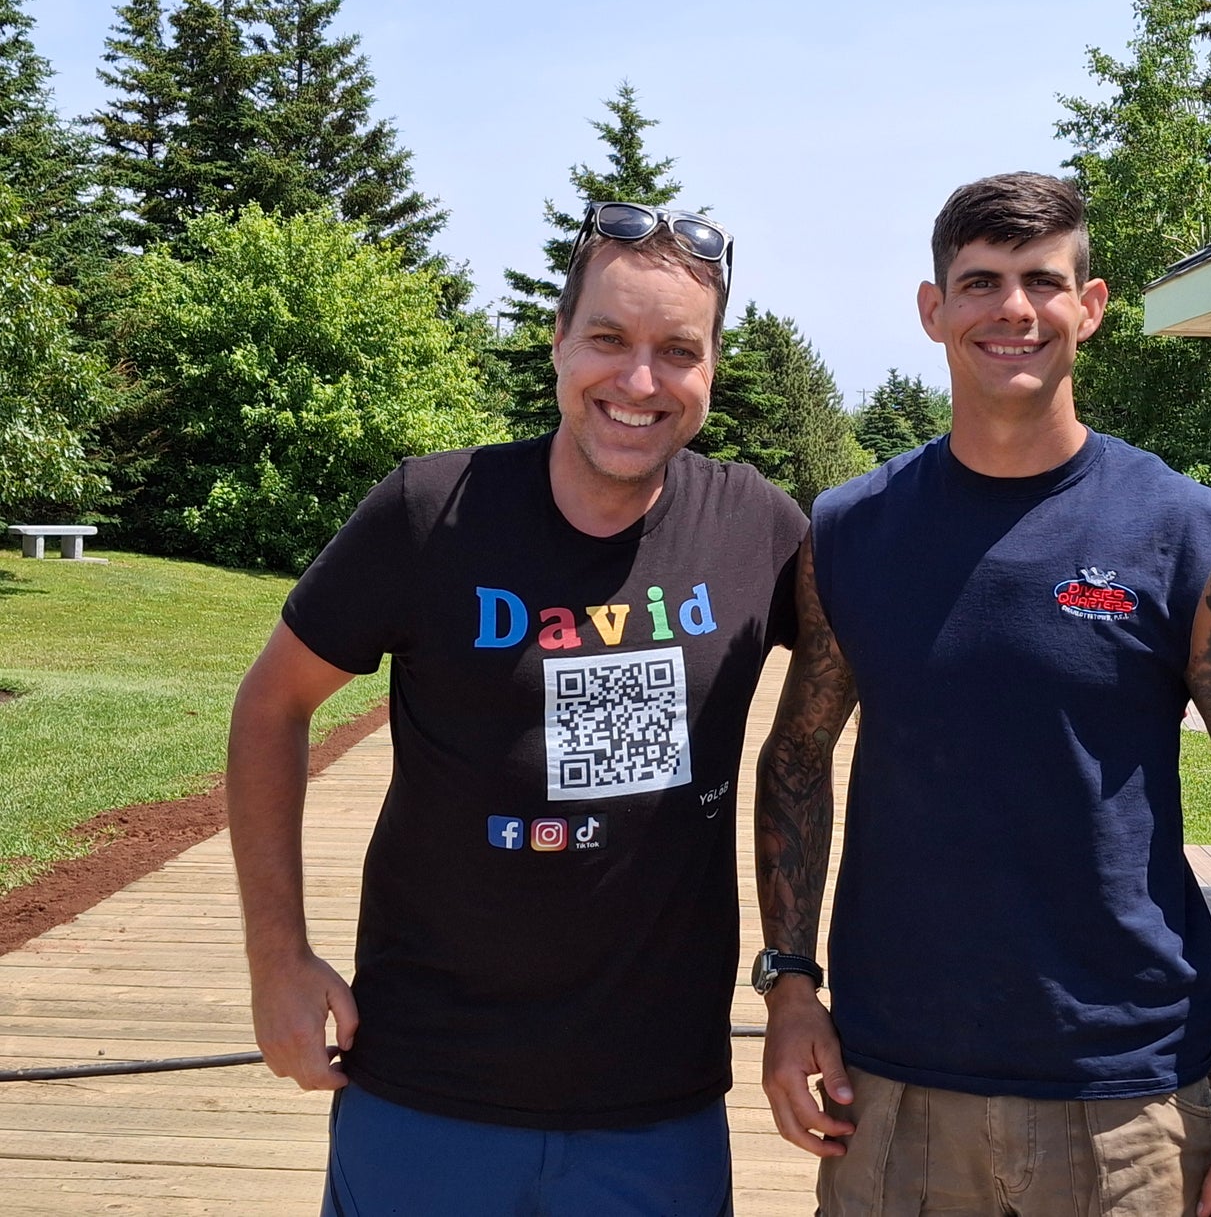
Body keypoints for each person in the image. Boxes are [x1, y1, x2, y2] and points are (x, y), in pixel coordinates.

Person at [754, 173, 1211, 1217]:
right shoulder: (849, 532)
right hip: (890, 1086)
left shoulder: (1182, 534)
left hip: (1126, 1099)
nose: (1011, 309)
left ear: (1090, 305)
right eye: (978, 281)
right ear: (932, 309)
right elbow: (796, 753)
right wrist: (789, 978)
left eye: (1040, 280)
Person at [228, 201, 807, 1217]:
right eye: (608, 339)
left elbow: (900, 688)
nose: (638, 380)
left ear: (711, 365)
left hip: (655, 1111)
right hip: (424, 1090)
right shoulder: (427, 511)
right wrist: (277, 956)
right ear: (556, 340)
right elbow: (272, 704)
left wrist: (798, 980)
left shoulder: (755, 527)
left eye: (676, 349)